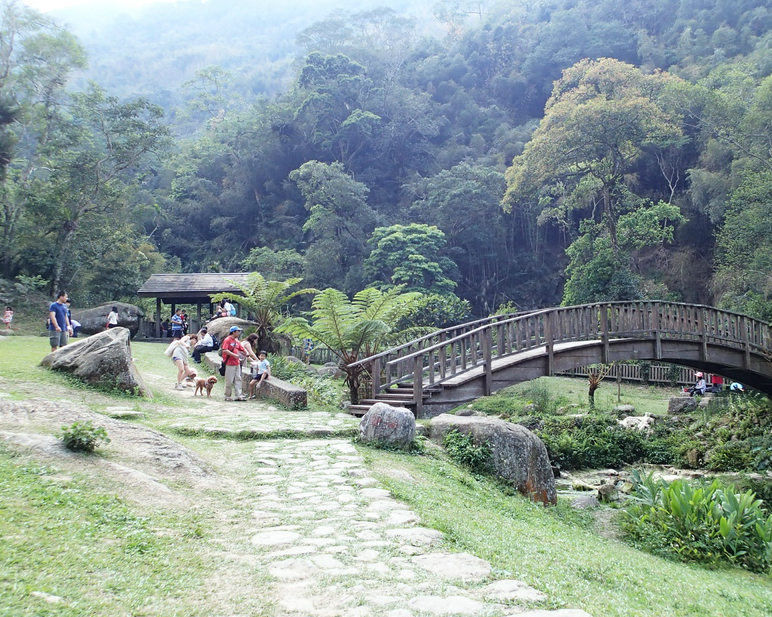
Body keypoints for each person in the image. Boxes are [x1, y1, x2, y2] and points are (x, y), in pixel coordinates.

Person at [221, 326, 246, 401]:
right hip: (229, 363)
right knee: (229, 380)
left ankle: (238, 395)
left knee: (238, 379)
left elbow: (241, 348)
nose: (239, 333)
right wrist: (234, 355)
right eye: (238, 331)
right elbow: (224, 350)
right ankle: (227, 396)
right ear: (233, 332)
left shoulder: (237, 341)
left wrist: (246, 353)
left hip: (237, 363)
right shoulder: (227, 340)